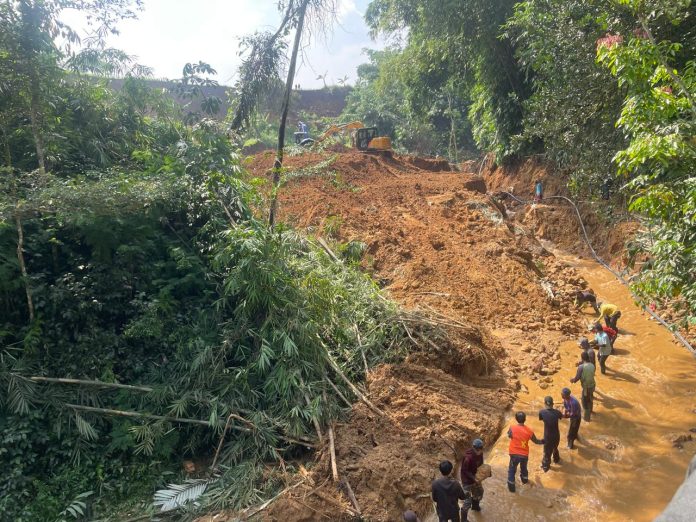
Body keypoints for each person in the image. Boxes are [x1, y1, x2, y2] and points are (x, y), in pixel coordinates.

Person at [507, 412, 544, 492]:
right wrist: (544, 441)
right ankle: (525, 480)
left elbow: (509, 435)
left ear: (516, 419)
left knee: (512, 470)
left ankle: (512, 489)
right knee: (524, 469)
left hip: (514, 454)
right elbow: (536, 441)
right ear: (525, 419)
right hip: (524, 455)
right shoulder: (529, 431)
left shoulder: (512, 428)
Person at [460, 439, 484, 519]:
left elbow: (481, 464)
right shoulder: (468, 457)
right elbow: (465, 471)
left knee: (479, 492)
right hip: (466, 480)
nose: (480, 451)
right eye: (478, 449)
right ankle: (463, 519)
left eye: (481, 449)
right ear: (475, 449)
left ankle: (475, 506)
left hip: (475, 477)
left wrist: (484, 473)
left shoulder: (480, 454)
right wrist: (474, 479)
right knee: (467, 501)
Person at [538, 396, 563, 472]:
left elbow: (541, 419)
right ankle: (556, 460)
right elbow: (561, 416)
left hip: (547, 437)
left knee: (546, 453)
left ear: (545, 404)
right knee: (555, 448)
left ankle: (545, 468)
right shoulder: (557, 412)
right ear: (553, 404)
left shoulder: (542, 412)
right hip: (556, 436)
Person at [571, 351, 596, 421]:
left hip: (586, 388)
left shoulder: (581, 367)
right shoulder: (592, 365)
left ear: (582, 358)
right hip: (593, 385)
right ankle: (591, 411)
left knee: (584, 402)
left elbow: (576, 378)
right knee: (590, 399)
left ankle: (586, 418)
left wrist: (572, 380)